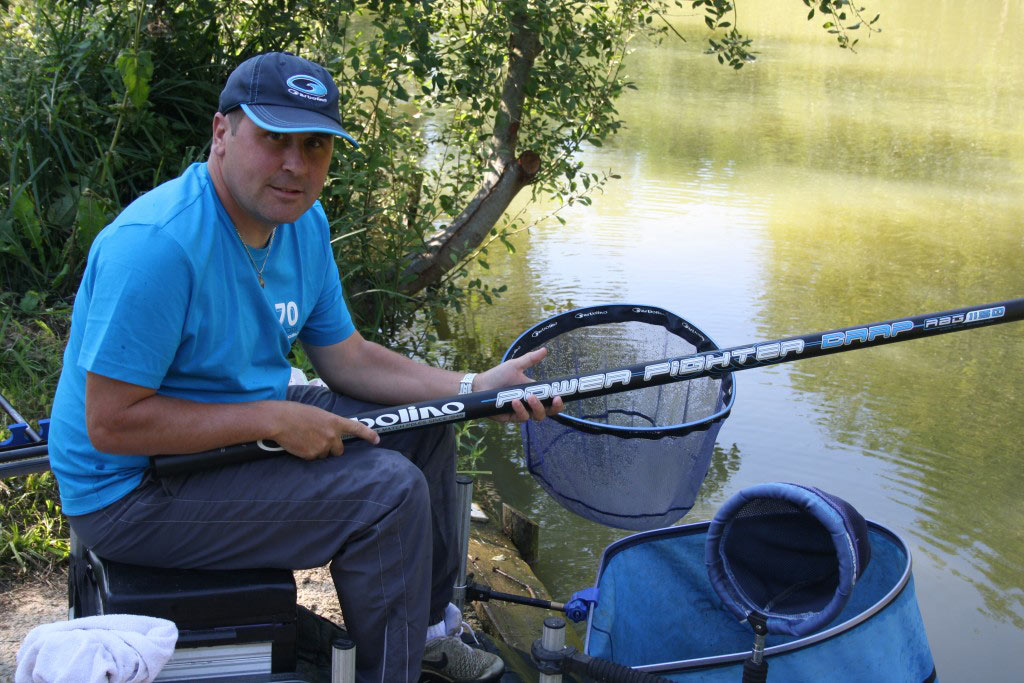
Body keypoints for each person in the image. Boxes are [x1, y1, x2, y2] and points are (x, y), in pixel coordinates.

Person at [47, 51, 562, 682]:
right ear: (222, 132)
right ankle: (386, 674)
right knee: (384, 493)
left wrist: (474, 388)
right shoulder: (157, 247)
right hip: (128, 492)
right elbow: (113, 425)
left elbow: (346, 358)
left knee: (426, 424)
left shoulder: (302, 224)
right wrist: (273, 418)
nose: (295, 165)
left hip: (222, 435)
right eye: (273, 138)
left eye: (315, 145)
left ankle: (424, 638)